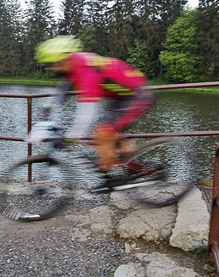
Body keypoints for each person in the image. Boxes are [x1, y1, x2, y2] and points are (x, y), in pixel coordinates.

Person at [35, 35, 153, 176]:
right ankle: (126, 160)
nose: (52, 68)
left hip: (137, 96)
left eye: (54, 64)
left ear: (64, 59)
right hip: (120, 98)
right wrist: (48, 108)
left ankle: (114, 170)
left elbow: (86, 117)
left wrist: (68, 139)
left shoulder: (86, 70)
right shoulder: (73, 64)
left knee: (103, 133)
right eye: (49, 65)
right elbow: (63, 89)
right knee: (108, 137)